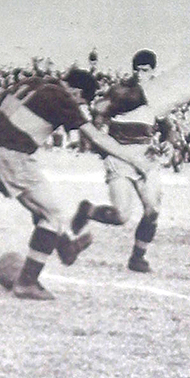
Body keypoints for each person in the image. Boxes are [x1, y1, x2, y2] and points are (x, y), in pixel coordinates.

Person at [0, 68, 153, 300]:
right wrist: (134, 160)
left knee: (43, 206)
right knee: (53, 215)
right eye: (81, 101)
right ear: (77, 92)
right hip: (13, 157)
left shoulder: (31, 81)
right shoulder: (63, 97)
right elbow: (95, 137)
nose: (79, 105)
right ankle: (27, 282)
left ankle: (65, 246)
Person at [70, 49, 167, 273]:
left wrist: (168, 142)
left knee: (153, 211)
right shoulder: (121, 92)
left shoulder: (157, 96)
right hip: (120, 155)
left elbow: (166, 125)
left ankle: (137, 257)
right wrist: (102, 143)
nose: (141, 74)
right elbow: (99, 114)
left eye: (145, 70)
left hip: (145, 156)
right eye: (137, 70)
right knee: (121, 215)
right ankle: (88, 211)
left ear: (153, 71)